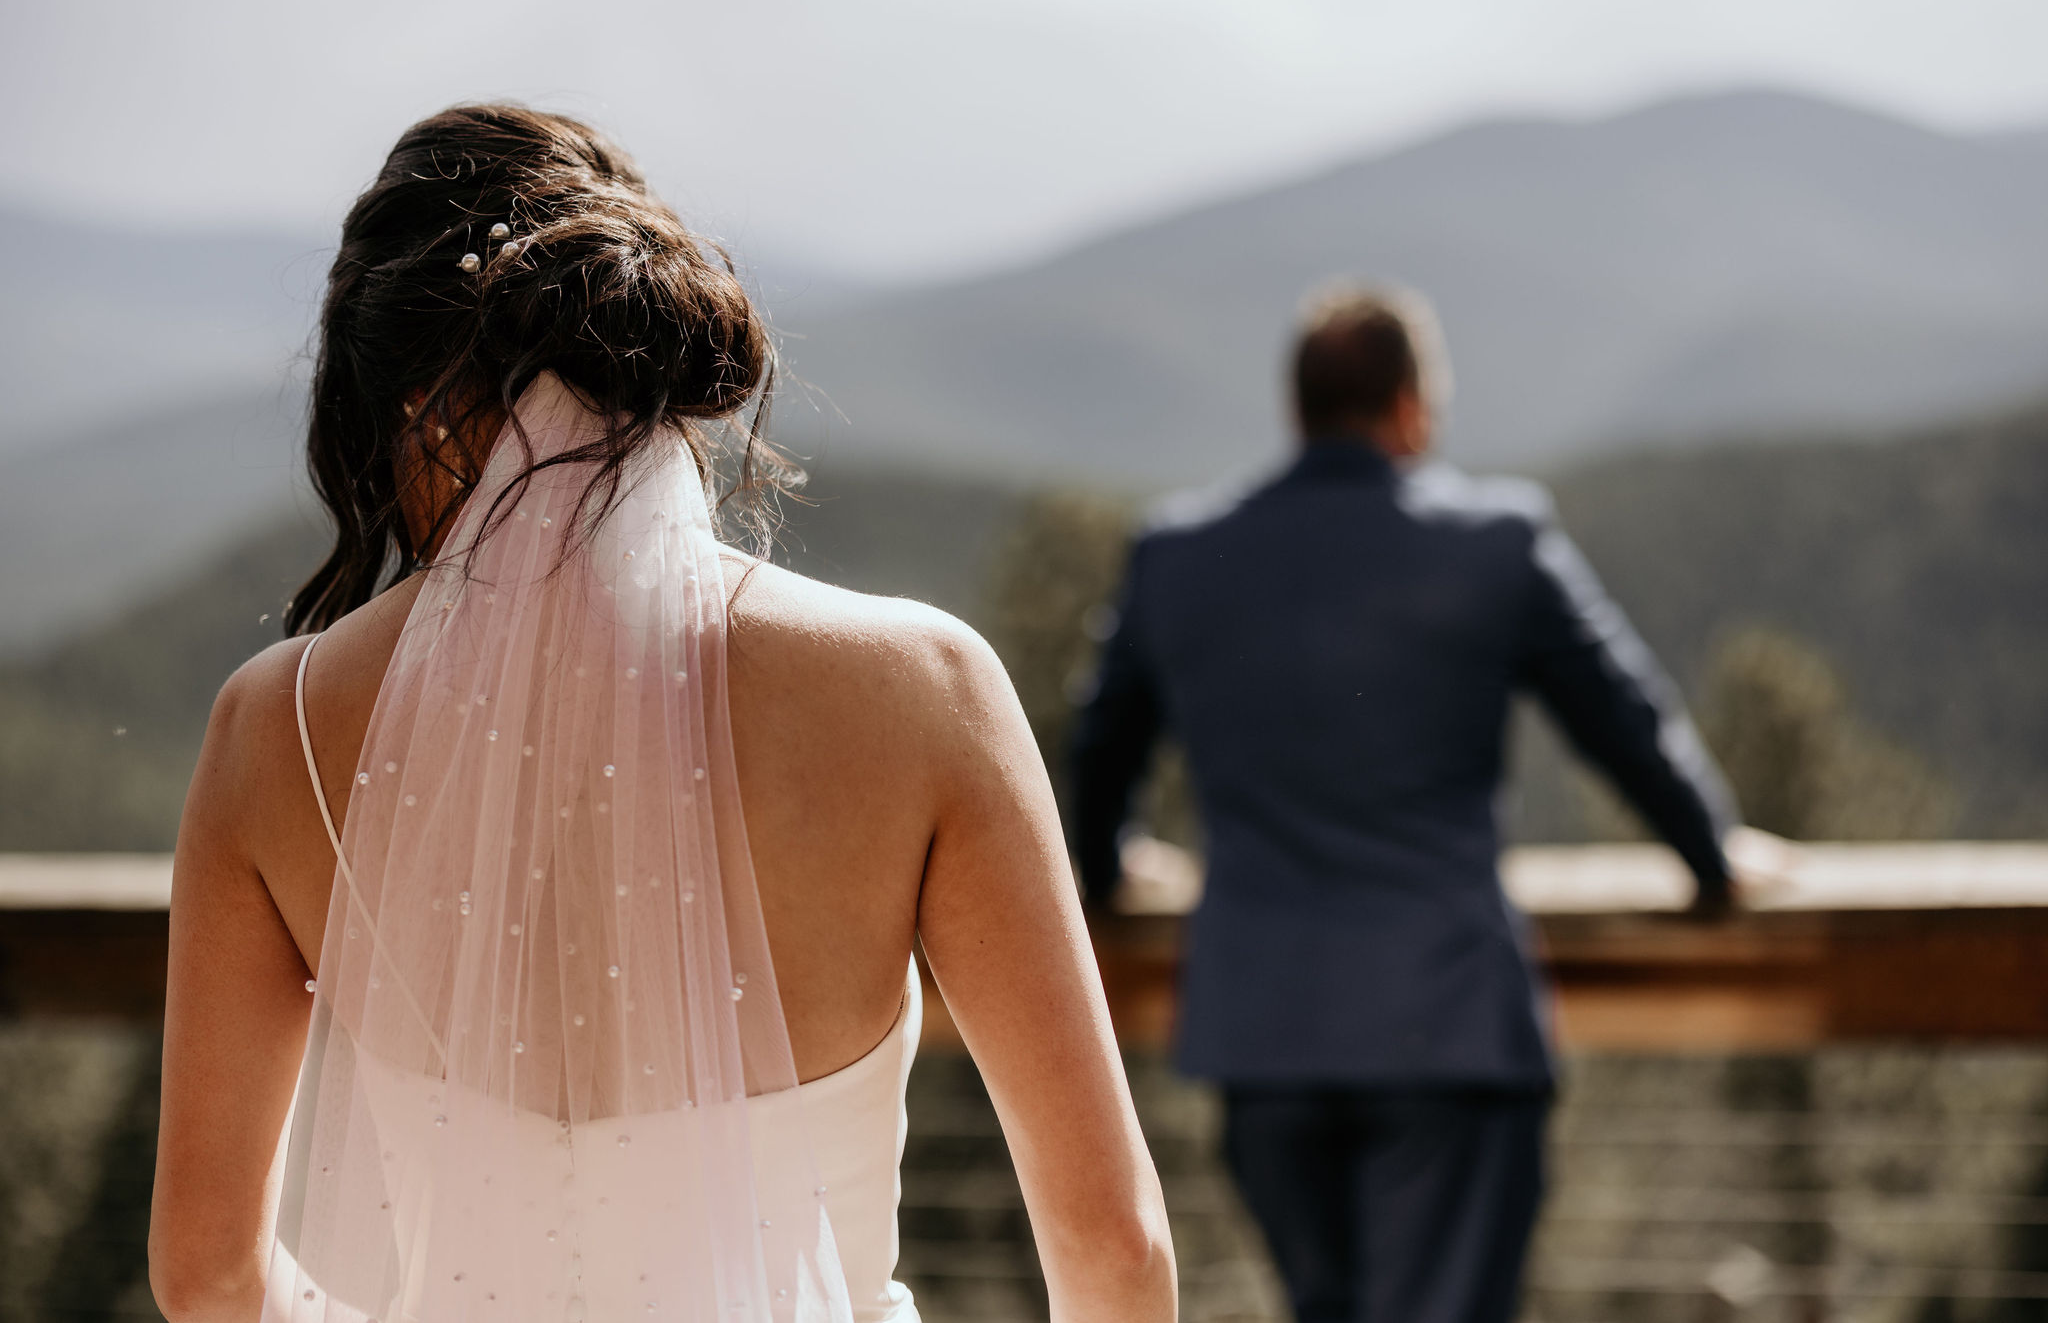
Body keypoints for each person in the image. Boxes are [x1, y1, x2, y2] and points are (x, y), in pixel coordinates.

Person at [148, 104, 1175, 1323]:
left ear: (411, 412)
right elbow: (1111, 1251)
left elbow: (208, 1270)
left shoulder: (271, 731)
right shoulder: (921, 689)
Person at [1069, 286, 1741, 1323]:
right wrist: (1714, 857)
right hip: (1446, 1029)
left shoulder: (1176, 555)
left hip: (1264, 1039)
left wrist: (1110, 869)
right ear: (1411, 409)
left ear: (1297, 411)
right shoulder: (1499, 543)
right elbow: (1628, 727)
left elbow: (1095, 755)